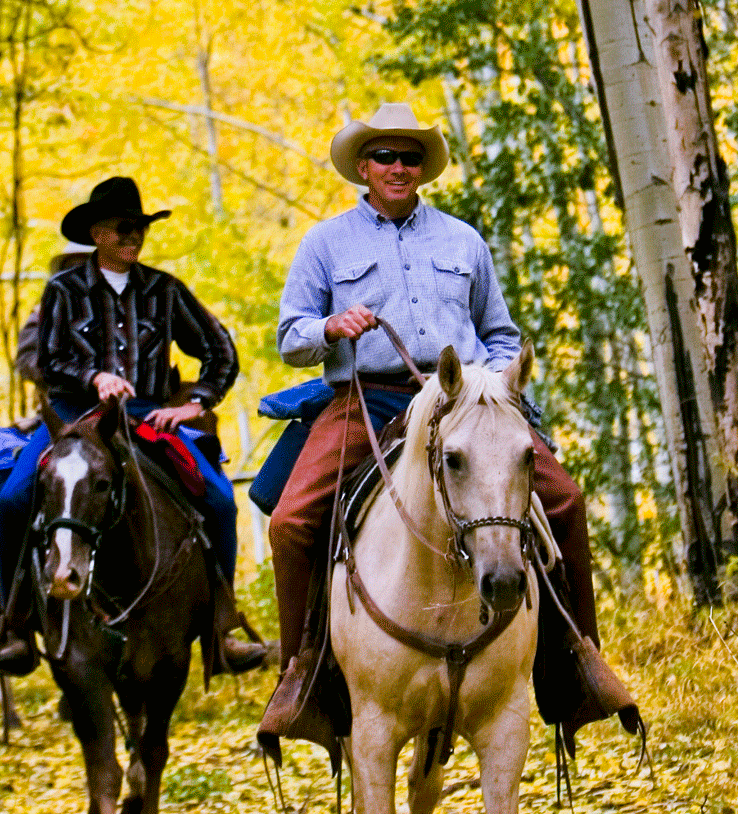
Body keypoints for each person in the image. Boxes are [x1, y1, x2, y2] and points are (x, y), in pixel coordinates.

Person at [262, 103, 632, 748]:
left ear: (422, 169)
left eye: (409, 158)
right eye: (385, 157)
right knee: (291, 521)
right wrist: (328, 328)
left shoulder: (464, 240)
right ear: (362, 167)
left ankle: (580, 658)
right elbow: (290, 336)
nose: (398, 168)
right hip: (367, 397)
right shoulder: (325, 243)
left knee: (566, 501)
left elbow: (500, 333)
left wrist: (489, 384)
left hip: (467, 400)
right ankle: (300, 674)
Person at [0, 176, 266, 675]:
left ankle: (220, 631)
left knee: (221, 500)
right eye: (122, 229)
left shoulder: (166, 290)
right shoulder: (63, 290)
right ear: (96, 233)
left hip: (144, 417)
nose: (133, 238)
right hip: (71, 420)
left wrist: (194, 402)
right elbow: (45, 359)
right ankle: (16, 628)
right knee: (11, 501)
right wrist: (93, 376)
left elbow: (220, 351)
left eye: (138, 229)